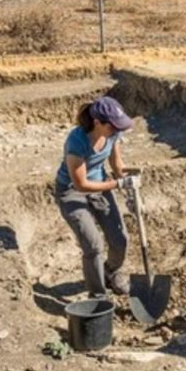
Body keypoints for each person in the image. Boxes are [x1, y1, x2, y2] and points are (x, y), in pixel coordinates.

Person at [54, 97, 140, 298]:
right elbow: (81, 184)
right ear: (97, 123)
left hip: (100, 186)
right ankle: (97, 294)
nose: (117, 131)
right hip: (71, 192)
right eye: (113, 127)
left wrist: (131, 184)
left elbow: (117, 166)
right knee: (93, 245)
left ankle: (111, 271)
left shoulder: (112, 134)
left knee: (120, 239)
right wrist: (118, 184)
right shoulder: (77, 141)